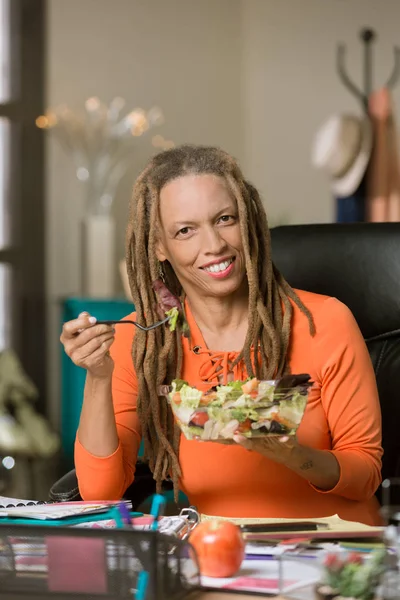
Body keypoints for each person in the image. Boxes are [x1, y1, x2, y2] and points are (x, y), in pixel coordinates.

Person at [60, 145, 383, 525]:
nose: (213, 245)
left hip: (334, 551)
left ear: (247, 221)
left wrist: (294, 456)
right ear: (159, 247)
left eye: (225, 219)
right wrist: (99, 376)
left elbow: (365, 473)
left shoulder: (325, 321)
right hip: (218, 555)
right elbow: (101, 492)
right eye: (185, 230)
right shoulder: (145, 342)